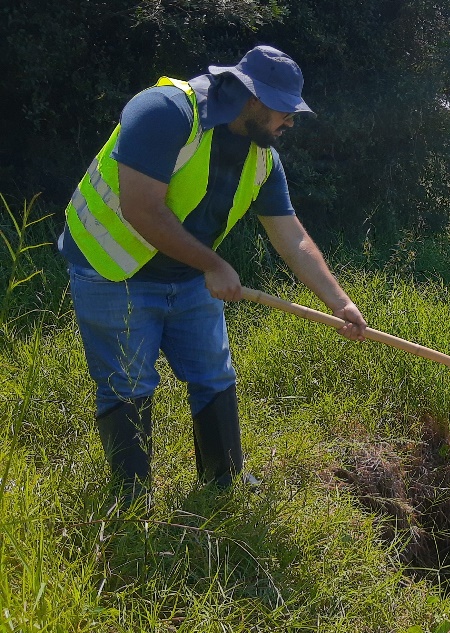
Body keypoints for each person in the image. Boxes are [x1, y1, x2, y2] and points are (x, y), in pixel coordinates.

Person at [58, 45, 367, 499]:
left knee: (214, 375)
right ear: (255, 98)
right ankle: (132, 503)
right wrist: (214, 264)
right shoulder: (163, 112)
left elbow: (292, 236)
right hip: (113, 270)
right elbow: (142, 209)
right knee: (127, 384)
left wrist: (339, 302)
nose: (291, 122)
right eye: (286, 110)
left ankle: (223, 487)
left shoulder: (263, 158)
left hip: (187, 276)